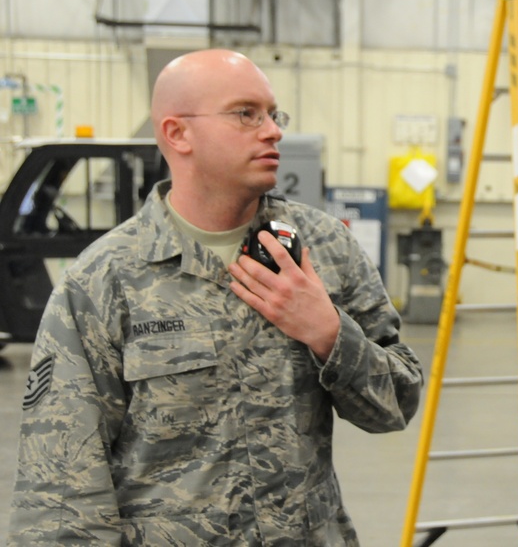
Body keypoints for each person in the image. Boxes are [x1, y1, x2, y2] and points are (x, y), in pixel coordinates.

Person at [9, 48, 424, 545]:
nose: (273, 130)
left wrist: (329, 333)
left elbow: (395, 405)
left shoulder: (323, 247)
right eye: (246, 114)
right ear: (177, 133)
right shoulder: (105, 281)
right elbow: (61, 492)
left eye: (274, 114)